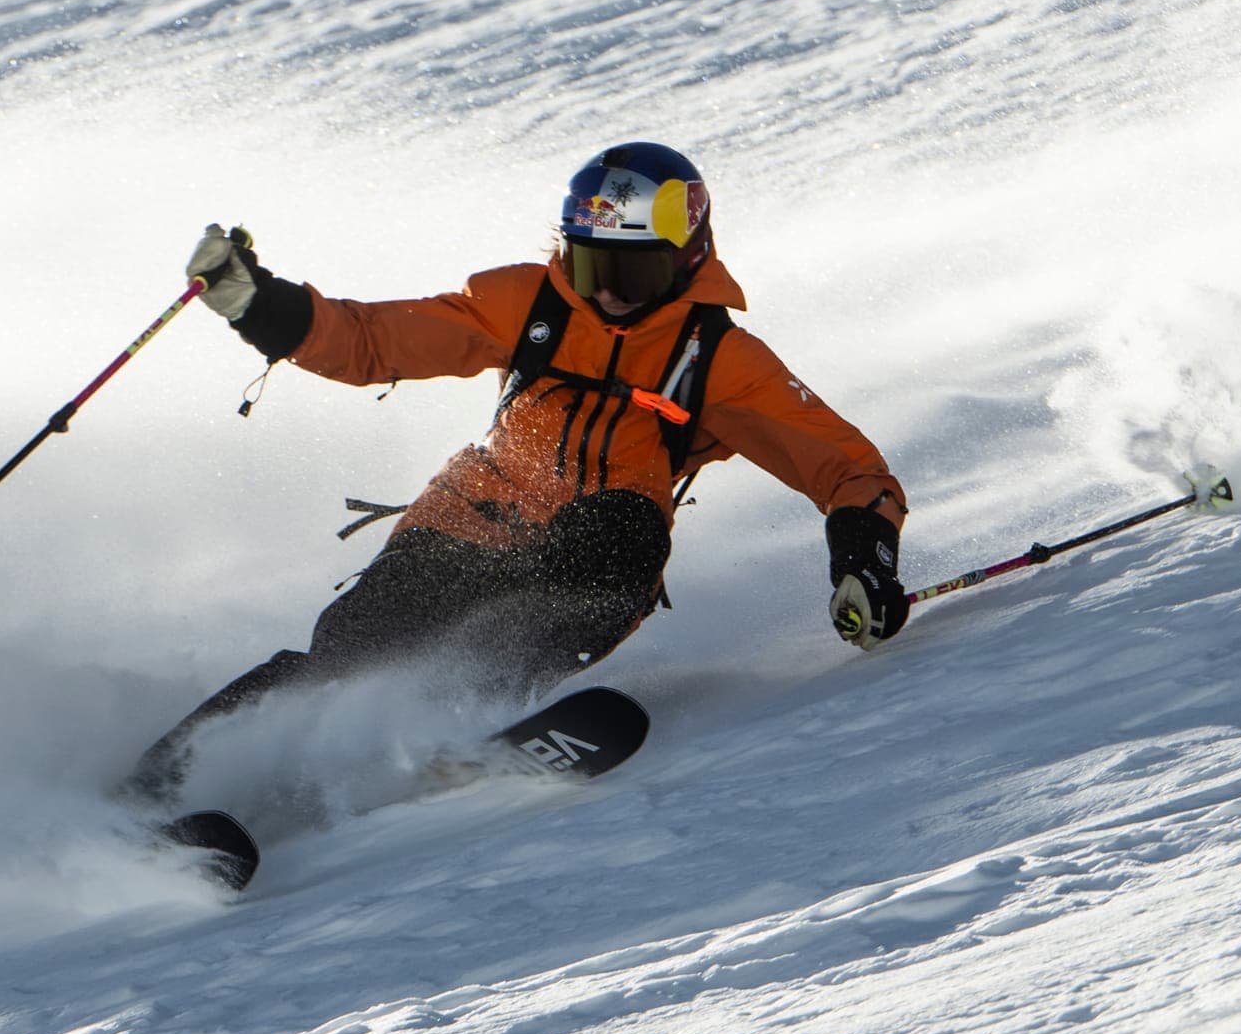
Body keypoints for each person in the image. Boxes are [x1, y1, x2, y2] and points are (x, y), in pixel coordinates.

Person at [127, 141, 909, 800]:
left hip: (603, 539)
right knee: (349, 656)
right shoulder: (527, 301)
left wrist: (864, 563)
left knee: (613, 533)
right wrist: (260, 305)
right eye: (589, 262)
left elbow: (844, 465)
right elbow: (374, 341)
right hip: (466, 519)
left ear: (687, 258)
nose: (604, 293)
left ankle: (470, 718)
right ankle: (164, 786)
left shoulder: (719, 361)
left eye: (629, 275)